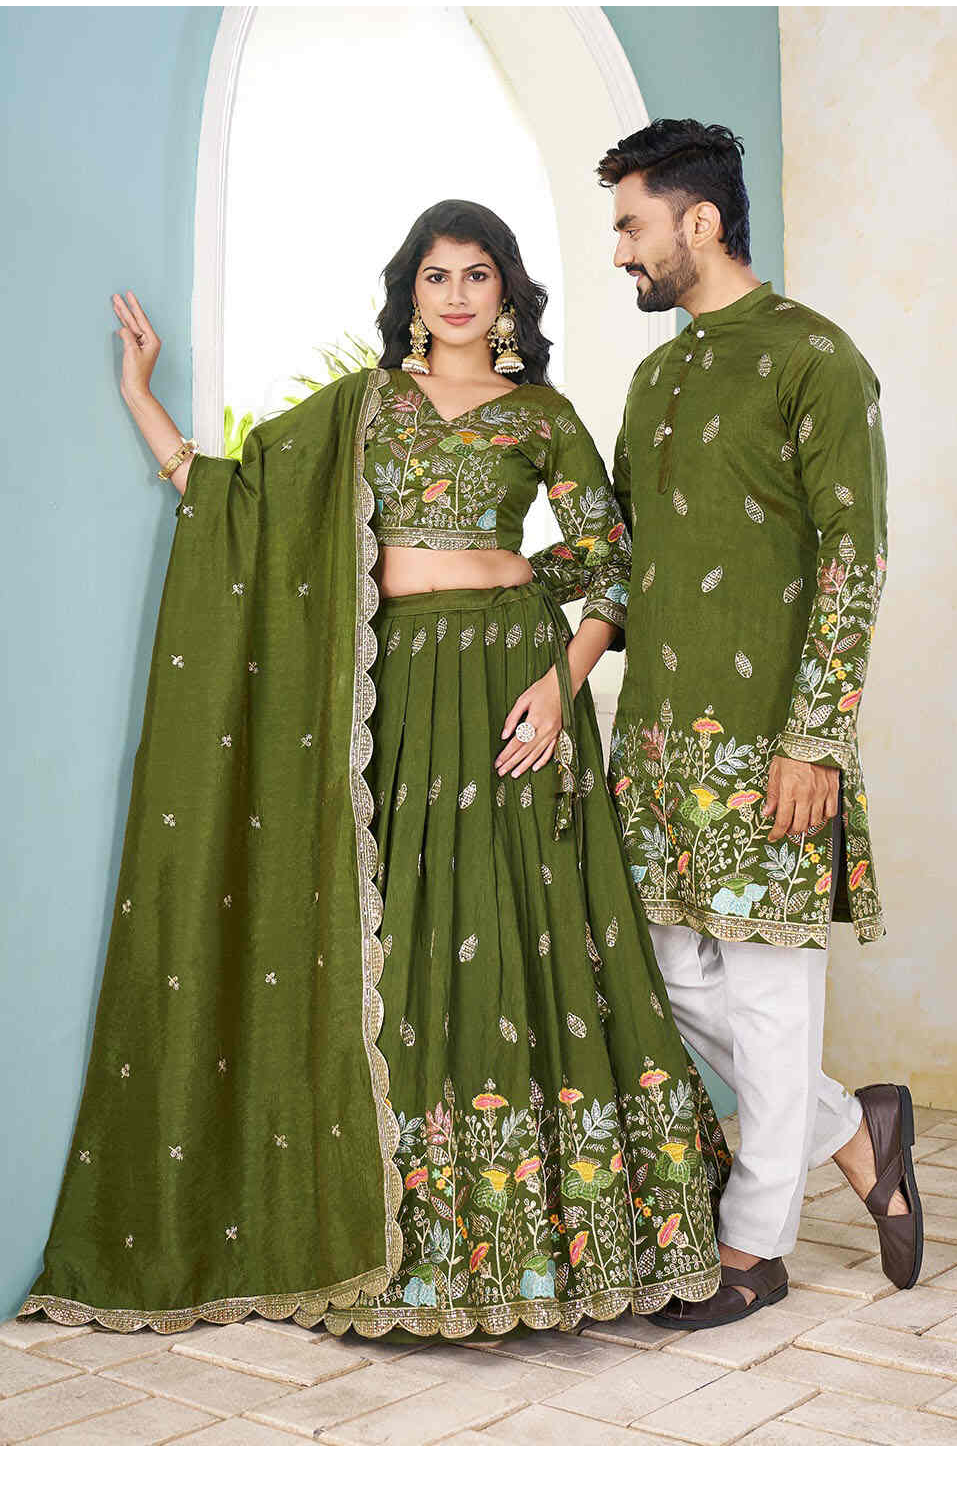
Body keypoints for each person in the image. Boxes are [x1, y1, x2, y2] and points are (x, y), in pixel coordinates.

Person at [18, 200, 731, 1343]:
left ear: (507, 296)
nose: (455, 295)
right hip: (395, 696)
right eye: (436, 276)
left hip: (513, 684)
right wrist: (141, 398)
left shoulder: (541, 415)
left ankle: (554, 1245)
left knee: (524, 930)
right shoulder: (363, 409)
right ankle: (405, 1241)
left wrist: (561, 681)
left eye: (478, 275)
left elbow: (609, 569)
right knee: (398, 940)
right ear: (410, 293)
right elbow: (244, 500)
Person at [596, 121, 922, 1329]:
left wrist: (814, 736)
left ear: (699, 222)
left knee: (773, 996)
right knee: (666, 970)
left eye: (631, 224)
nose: (621, 251)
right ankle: (857, 1128)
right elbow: (627, 557)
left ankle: (754, 1247)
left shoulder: (814, 357)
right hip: (660, 743)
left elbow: (856, 553)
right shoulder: (655, 377)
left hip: (771, 743)